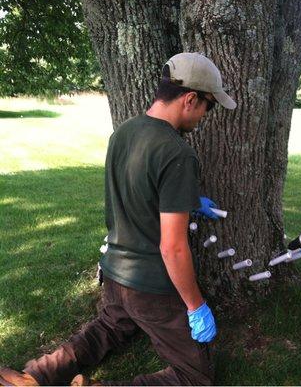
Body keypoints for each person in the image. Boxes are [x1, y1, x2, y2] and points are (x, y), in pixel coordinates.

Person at [0, 52, 237, 386]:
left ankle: (33, 377)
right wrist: (195, 305)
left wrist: (186, 200)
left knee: (109, 327)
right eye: (207, 107)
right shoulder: (177, 152)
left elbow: (137, 191)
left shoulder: (124, 133)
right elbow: (173, 248)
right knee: (195, 378)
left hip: (115, 273)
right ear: (190, 99)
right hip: (152, 285)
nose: (204, 116)